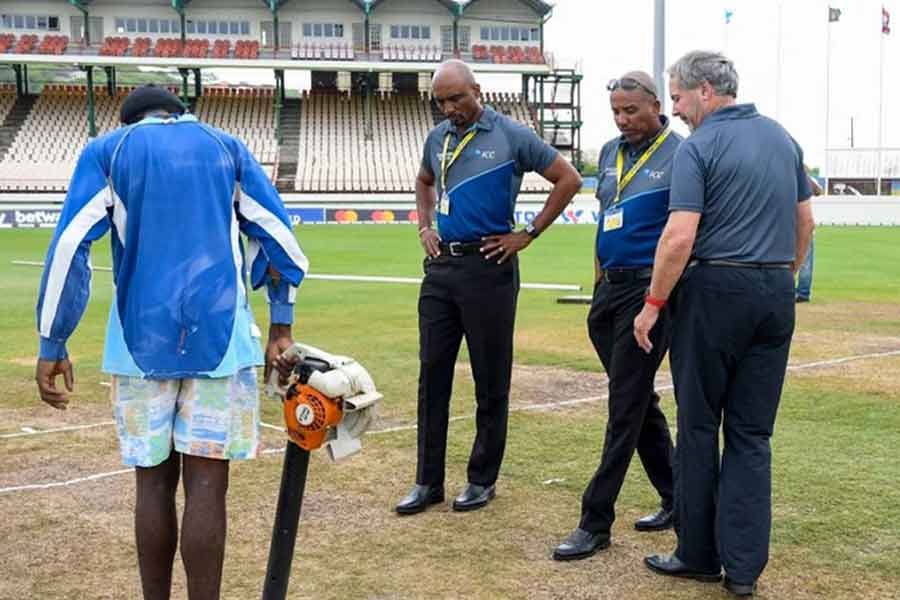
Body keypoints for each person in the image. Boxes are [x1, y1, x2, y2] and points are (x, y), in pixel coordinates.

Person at [34, 84, 308, 600]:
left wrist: (53, 340)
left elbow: (70, 244)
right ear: (179, 114)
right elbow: (281, 240)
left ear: (131, 119)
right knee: (208, 486)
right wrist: (281, 323)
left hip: (138, 344)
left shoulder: (109, 150)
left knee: (153, 485)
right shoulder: (226, 146)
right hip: (222, 340)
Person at [633, 51, 814, 597]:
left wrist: (652, 305)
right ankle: (743, 570)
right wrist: (784, 273)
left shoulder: (700, 148)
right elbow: (805, 221)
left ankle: (698, 553)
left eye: (680, 98)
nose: (678, 110)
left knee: (697, 426)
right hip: (773, 293)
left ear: (706, 91)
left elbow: (679, 237)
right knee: (752, 435)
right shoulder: (783, 139)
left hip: (714, 294)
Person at [395, 60, 582, 515]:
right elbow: (423, 181)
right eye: (441, 101)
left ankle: (482, 479)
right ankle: (428, 481)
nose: (449, 108)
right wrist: (424, 227)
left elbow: (568, 179)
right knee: (431, 375)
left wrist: (528, 233)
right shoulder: (437, 138)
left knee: (490, 379)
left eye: (457, 98)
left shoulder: (512, 135)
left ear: (478, 91)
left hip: (490, 267)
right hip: (441, 268)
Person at [552, 71, 679, 562]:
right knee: (638, 400)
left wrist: (656, 299)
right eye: (616, 113)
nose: (623, 120)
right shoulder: (609, 153)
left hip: (649, 296)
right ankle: (676, 497)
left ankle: (595, 521)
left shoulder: (681, 153)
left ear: (656, 105)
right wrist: (599, 279)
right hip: (608, 291)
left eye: (632, 111)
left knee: (623, 406)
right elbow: (607, 219)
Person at [796, 174, 823, 302]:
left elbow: (818, 191)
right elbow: (818, 191)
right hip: (800, 224)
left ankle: (802, 292)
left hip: (791, 224)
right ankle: (803, 292)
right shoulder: (804, 178)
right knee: (806, 261)